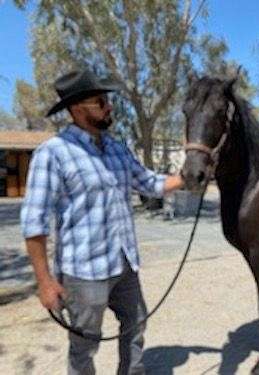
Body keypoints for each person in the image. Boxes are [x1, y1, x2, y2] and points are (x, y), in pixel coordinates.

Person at [20, 69, 184, 375]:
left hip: (124, 263)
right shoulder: (53, 153)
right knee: (85, 344)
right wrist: (45, 282)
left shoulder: (116, 148)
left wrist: (187, 177)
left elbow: (148, 182)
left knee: (136, 325)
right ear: (78, 108)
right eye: (101, 101)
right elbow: (34, 223)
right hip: (84, 273)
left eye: (107, 99)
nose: (109, 107)